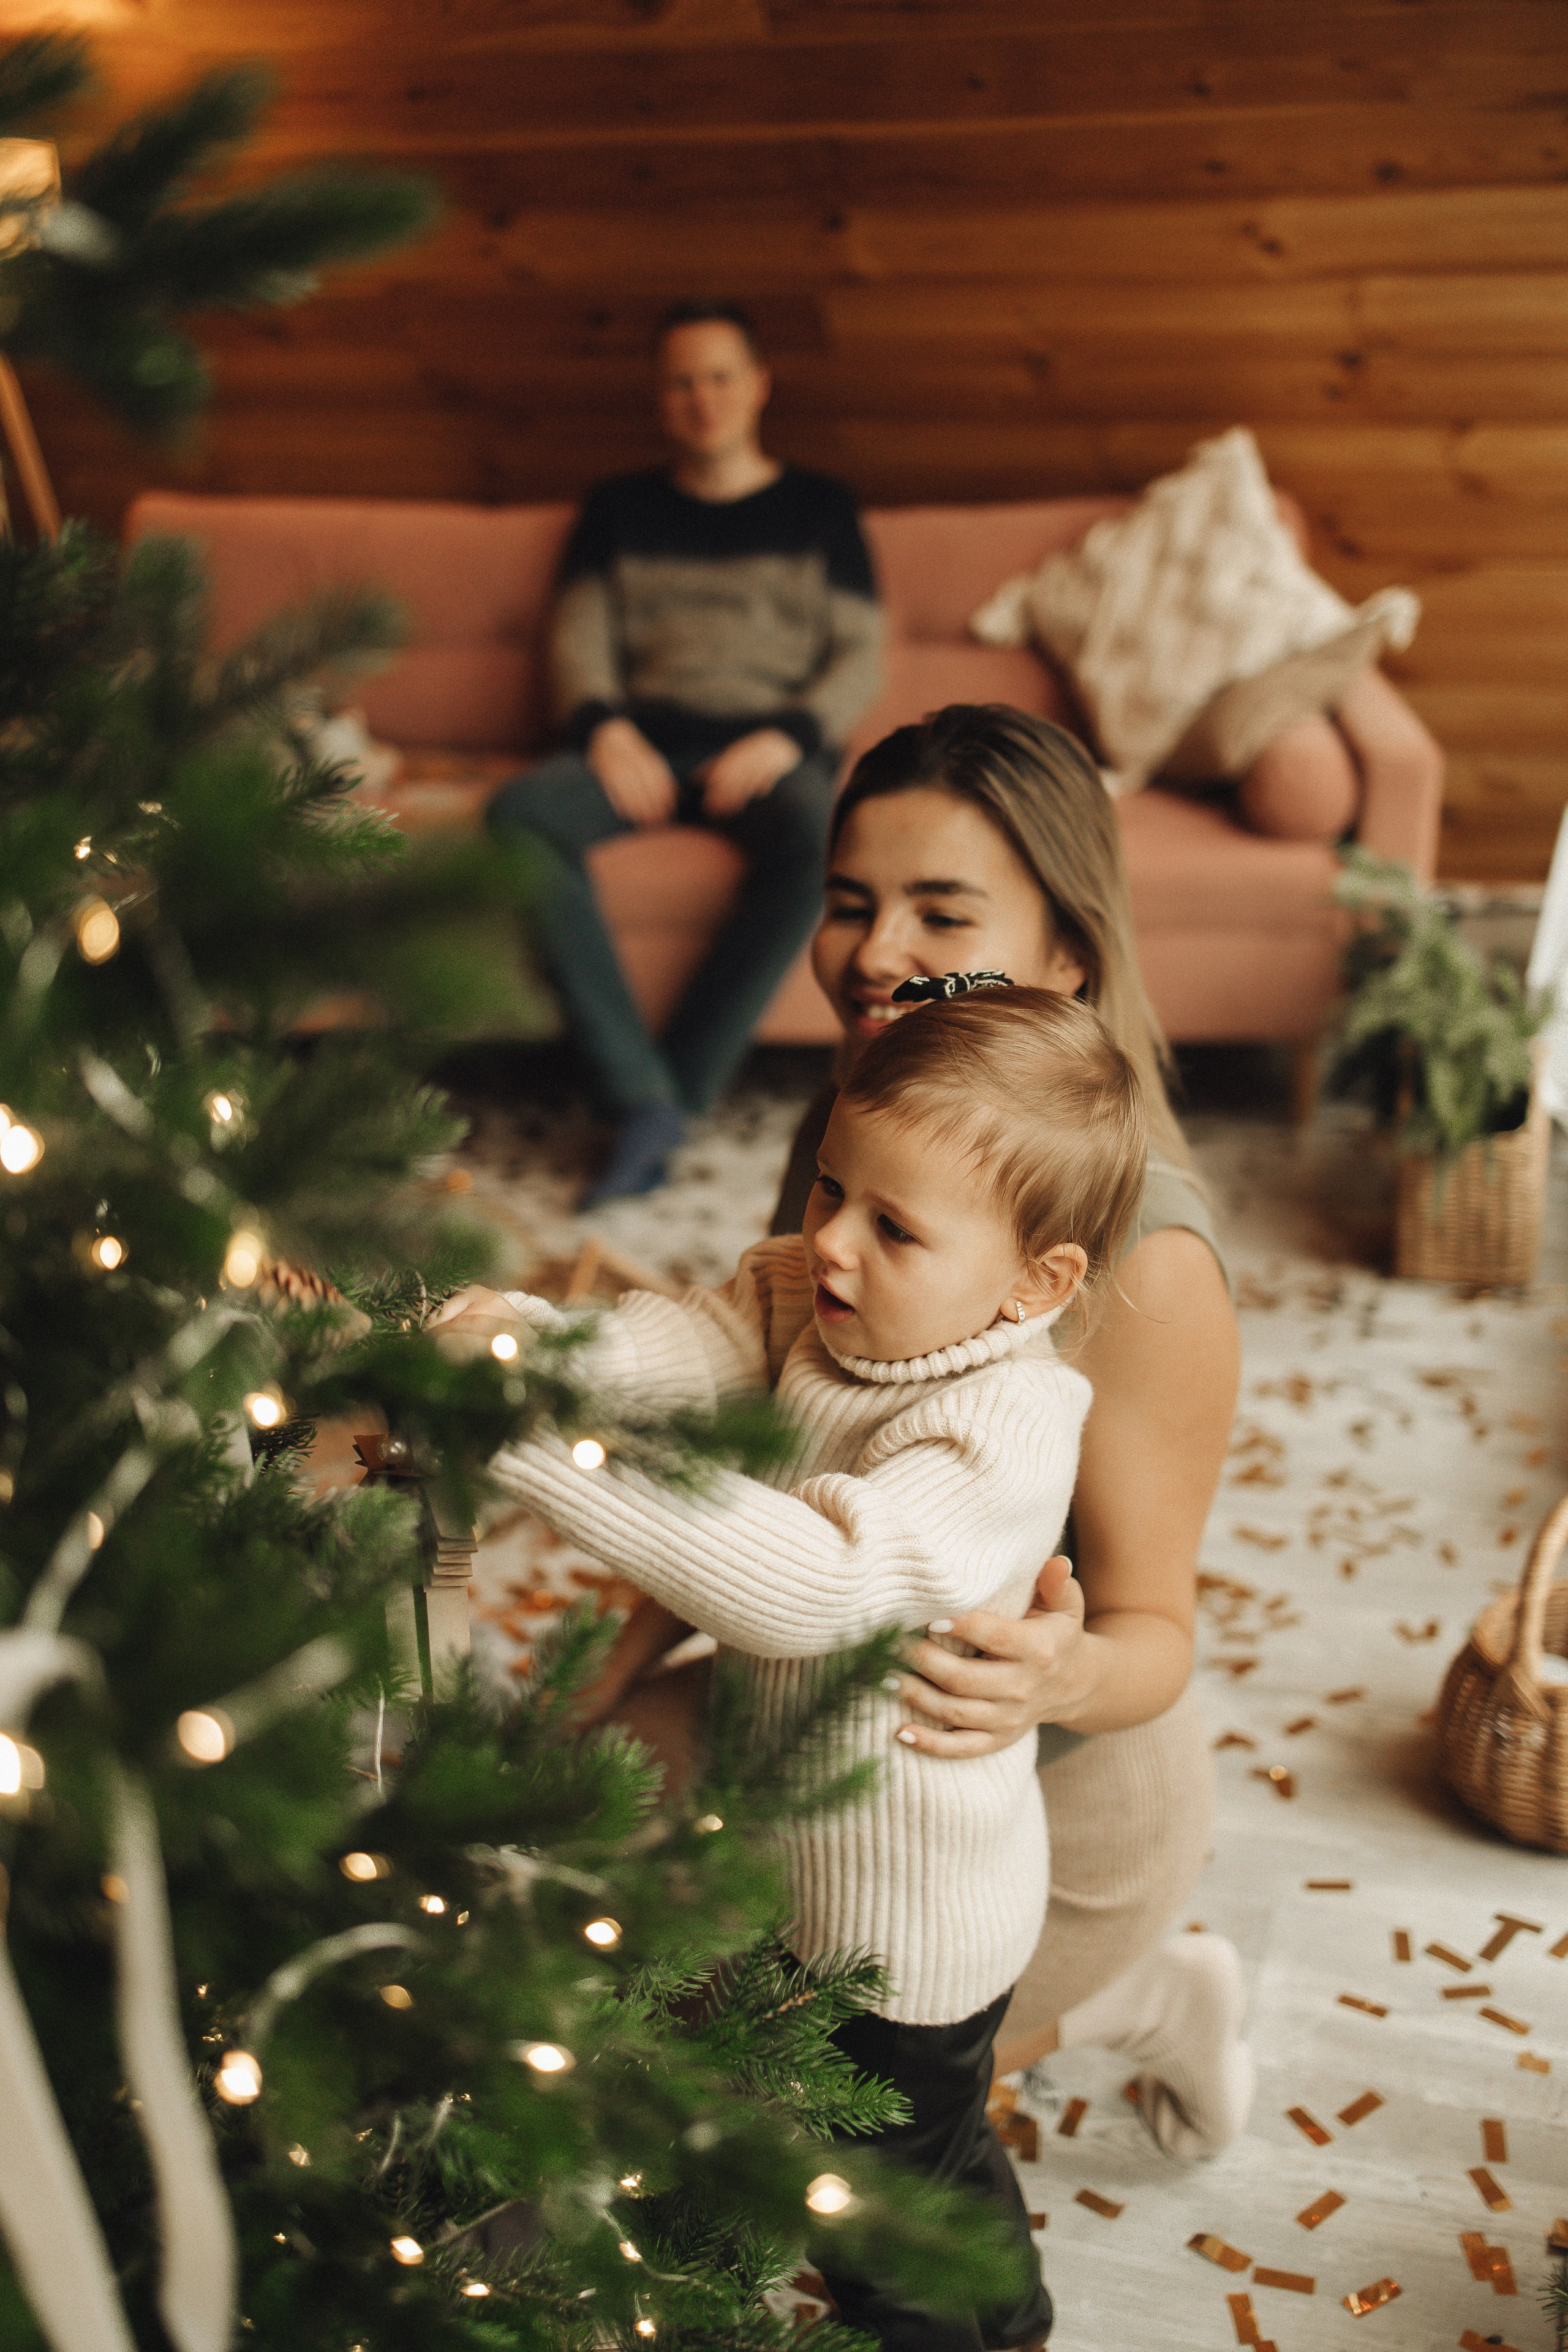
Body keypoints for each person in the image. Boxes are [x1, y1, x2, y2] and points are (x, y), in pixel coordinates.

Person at [593, 704, 1251, 2162]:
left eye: (940, 912)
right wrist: (604, 1676)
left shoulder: (1147, 1264)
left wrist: (1056, 1668)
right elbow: (758, 1455)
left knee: (765, 2117)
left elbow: (1156, 1636)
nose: (874, 954)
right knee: (567, 1863)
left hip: (1031, 1799)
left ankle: (1139, 1991)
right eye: (847, 903)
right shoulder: (868, 1126)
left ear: (1069, 953)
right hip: (819, 1697)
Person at [449, 983, 1148, 2352]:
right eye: (830, 1184)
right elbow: (664, 1352)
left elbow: (819, 1585)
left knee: (894, 2211)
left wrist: (516, 1439)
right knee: (819, 2131)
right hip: (799, 1875)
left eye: (892, 1227)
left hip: (907, 1948)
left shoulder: (1005, 1426)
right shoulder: (802, 1294)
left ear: (1034, 1282)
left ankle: (994, 2337)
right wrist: (520, 1347)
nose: (827, 1239)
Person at [487, 300, 884, 1205]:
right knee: (520, 816)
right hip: (642, 741)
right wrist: (605, 729)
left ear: (757, 389)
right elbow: (579, 641)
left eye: (720, 378)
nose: (702, 399)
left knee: (821, 839)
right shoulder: (616, 507)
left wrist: (789, 737)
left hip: (770, 748)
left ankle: (669, 1091)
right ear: (661, 400)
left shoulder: (823, 508)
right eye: (681, 382)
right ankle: (642, 1095)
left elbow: (859, 657)